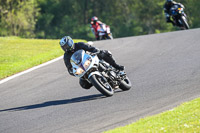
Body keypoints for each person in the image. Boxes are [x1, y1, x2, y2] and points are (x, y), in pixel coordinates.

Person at [59, 36, 124, 89]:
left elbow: (90, 48)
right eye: (64, 47)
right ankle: (96, 82)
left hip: (90, 59)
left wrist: (95, 51)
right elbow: (69, 67)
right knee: (84, 84)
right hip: (83, 68)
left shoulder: (79, 44)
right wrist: (72, 71)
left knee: (104, 53)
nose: (66, 48)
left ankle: (116, 66)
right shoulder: (66, 56)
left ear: (70, 42)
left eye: (66, 46)